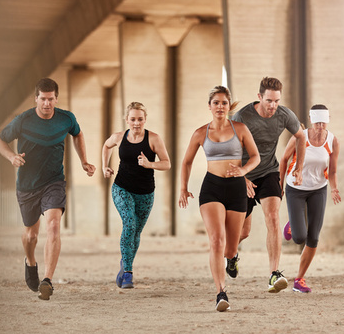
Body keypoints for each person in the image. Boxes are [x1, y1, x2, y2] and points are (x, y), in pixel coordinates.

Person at [0, 78, 96, 300]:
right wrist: (12, 156)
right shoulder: (23, 120)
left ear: (56, 99)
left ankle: (47, 281)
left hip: (54, 181)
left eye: (51, 99)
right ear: (36, 99)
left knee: (53, 226)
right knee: (31, 235)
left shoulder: (66, 118)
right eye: (43, 99)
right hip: (27, 185)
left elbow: (77, 134)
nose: (47, 103)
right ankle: (30, 262)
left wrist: (84, 161)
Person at [179, 86, 260, 312]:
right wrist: (183, 188)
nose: (220, 107)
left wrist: (244, 172)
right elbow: (186, 162)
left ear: (229, 105)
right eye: (216, 102)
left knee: (230, 246)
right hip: (211, 188)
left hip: (235, 190)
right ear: (209, 106)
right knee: (216, 240)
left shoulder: (241, 129)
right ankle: (220, 292)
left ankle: (232, 257)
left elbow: (255, 157)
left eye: (224, 103)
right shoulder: (200, 133)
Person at [232, 76, 306, 293]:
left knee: (273, 217)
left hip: (268, 172)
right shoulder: (242, 117)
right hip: (244, 173)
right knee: (243, 232)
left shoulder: (284, 115)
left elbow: (301, 136)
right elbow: (230, 149)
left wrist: (298, 167)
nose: (273, 106)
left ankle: (274, 274)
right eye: (269, 101)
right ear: (259, 97)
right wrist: (242, 177)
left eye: (276, 101)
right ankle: (231, 254)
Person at [101, 102, 171, 289]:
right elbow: (106, 146)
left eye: (140, 119)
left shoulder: (154, 139)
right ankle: (128, 274)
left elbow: (166, 163)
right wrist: (104, 166)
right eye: (133, 119)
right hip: (121, 188)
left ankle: (125, 262)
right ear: (127, 120)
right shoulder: (119, 137)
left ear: (145, 120)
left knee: (136, 233)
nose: (136, 123)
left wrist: (150, 164)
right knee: (129, 223)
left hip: (146, 193)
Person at [279, 105, 341, 293]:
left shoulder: (332, 140)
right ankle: (292, 224)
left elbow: (333, 170)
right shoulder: (300, 137)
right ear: (311, 120)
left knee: (313, 237)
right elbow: (284, 159)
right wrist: (279, 186)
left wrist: (334, 188)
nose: (320, 126)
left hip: (318, 190)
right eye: (317, 122)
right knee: (299, 237)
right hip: (295, 188)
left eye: (323, 122)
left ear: (328, 120)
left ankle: (299, 279)